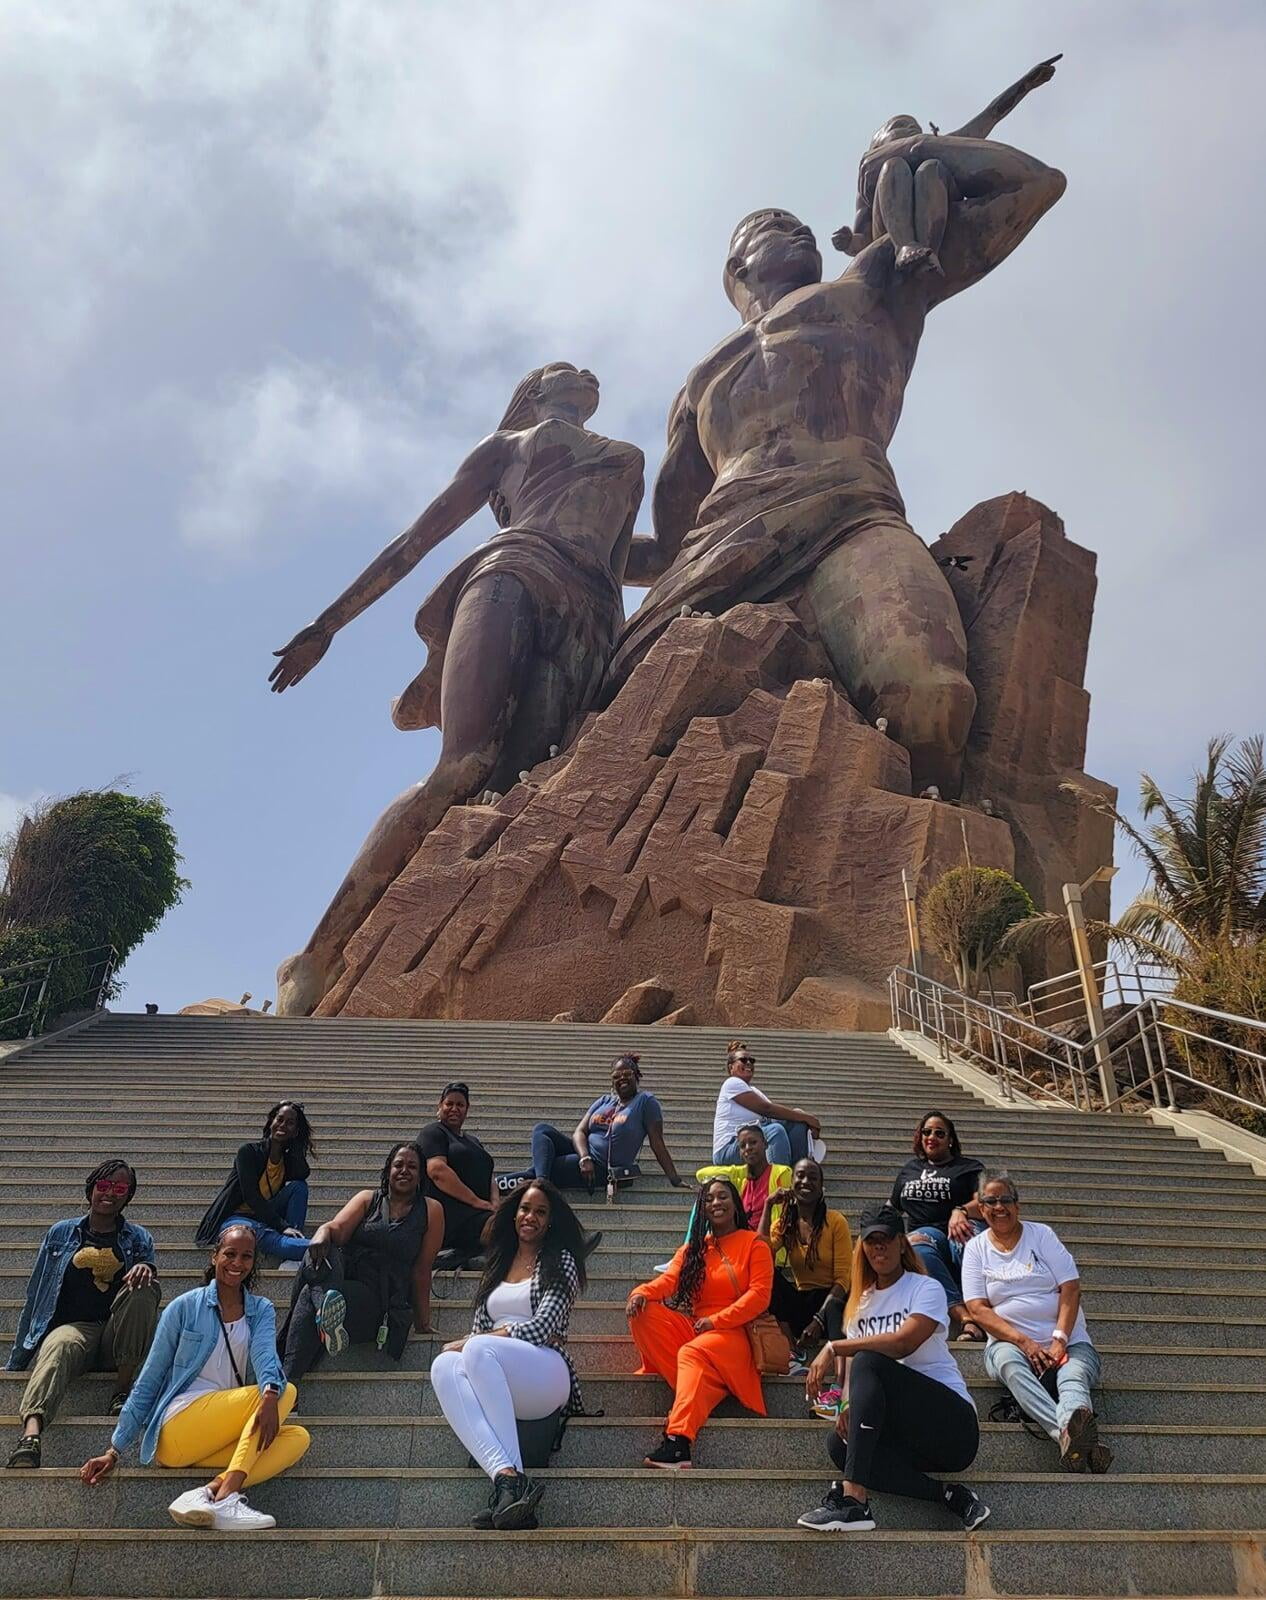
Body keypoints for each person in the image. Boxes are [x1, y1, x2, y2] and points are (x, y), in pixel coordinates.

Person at [270, 363, 645, 1017]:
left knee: (525, 786)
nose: (584, 372)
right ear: (532, 394)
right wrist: (327, 624)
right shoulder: (507, 448)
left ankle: (474, 953)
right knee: (464, 767)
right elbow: (415, 541)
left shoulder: (629, 459)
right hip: (515, 569)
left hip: (590, 614)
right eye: (562, 370)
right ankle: (317, 956)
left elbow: (621, 560)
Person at [80, 1223, 310, 1532]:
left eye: (246, 1256)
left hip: (217, 1433)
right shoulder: (184, 1307)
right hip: (178, 1427)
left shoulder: (260, 1310)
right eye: (230, 1254)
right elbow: (150, 1377)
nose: (237, 1263)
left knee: (297, 1437)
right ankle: (229, 1497)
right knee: (282, 1391)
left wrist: (270, 1392)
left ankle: (207, 1493)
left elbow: (266, 1357)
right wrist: (114, 1450)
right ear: (215, 1256)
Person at [797, 1202, 988, 1533]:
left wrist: (834, 1345)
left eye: (886, 1238)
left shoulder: (925, 1287)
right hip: (905, 1435)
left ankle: (855, 1500)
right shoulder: (861, 1303)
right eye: (872, 1240)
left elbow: (902, 1344)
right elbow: (855, 1376)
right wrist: (845, 1406)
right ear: (863, 1248)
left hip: (951, 1427)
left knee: (873, 1358)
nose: (879, 1246)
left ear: (902, 1243)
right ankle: (949, 1496)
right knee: (838, 1445)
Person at [430, 1179, 587, 1531]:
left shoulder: (561, 1261)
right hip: (493, 1366)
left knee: (477, 1348)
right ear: (514, 1214)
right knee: (443, 1365)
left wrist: (478, 1339)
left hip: (545, 1369)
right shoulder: (498, 1262)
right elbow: (478, 1327)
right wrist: (473, 1341)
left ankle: (513, 1486)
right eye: (525, 1209)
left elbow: (544, 1326)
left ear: (550, 1221)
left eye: (540, 1212)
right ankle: (508, 1481)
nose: (530, 1216)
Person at [832, 56, 1063, 277]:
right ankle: (905, 246)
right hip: (889, 233)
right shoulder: (871, 176)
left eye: (915, 126)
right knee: (893, 167)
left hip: (935, 215)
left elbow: (988, 117)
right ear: (878, 143)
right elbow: (863, 238)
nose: (912, 129)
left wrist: (1024, 85)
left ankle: (927, 254)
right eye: (901, 125)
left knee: (931, 168)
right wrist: (848, 241)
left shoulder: (934, 148)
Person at [5, 1160, 160, 1469]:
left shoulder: (138, 1238)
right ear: (91, 1189)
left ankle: (122, 1391)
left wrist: (147, 1268)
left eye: (119, 1189)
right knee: (59, 1344)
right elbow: (37, 1294)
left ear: (128, 1195)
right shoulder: (61, 1234)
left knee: (144, 1289)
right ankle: (31, 1436)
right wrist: (18, 1359)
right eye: (103, 1186)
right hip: (76, 1329)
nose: (110, 1194)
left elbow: (145, 1290)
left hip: (117, 1332)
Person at [961, 1169, 1111, 1473]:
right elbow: (977, 1309)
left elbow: (1071, 1287)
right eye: (991, 1201)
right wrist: (1024, 1343)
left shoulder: (1040, 1235)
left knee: (1073, 1375)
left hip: (1069, 1340)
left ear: (1018, 1205)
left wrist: (1059, 1339)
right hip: (1009, 1344)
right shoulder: (976, 1248)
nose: (999, 1207)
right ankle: (1067, 1436)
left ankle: (1074, 1439)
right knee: (1009, 1365)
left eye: (1006, 1199)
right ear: (981, 1207)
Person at [626, 1177, 774, 1468]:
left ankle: (678, 1442)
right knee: (643, 1314)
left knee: (692, 1352)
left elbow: (760, 1296)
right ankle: (701, 1391)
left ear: (736, 1204)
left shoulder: (754, 1244)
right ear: (701, 1209)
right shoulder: (694, 1249)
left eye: (722, 1197)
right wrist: (640, 1293)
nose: (715, 1203)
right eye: (708, 1199)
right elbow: (667, 1282)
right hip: (700, 1331)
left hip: (734, 1333)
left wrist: (717, 1320)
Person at [279, 1142, 444, 1382]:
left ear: (420, 1175)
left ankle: (285, 1384)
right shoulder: (368, 1199)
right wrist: (322, 1231)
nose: (404, 1170)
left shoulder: (432, 1210)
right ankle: (325, 1310)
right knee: (322, 1248)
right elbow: (337, 1229)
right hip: (344, 1284)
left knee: (308, 1292)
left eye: (412, 1166)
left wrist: (423, 1322)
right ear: (388, 1170)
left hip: (381, 1299)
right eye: (398, 1165)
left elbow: (422, 1270)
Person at [506, 1051, 687, 1192]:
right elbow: (580, 1132)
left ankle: (521, 1185)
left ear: (636, 1075)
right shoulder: (604, 1101)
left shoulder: (646, 1102)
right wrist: (584, 1157)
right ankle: (542, 1186)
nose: (621, 1078)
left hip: (602, 1166)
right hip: (583, 1155)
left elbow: (657, 1142)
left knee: (542, 1169)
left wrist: (674, 1179)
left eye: (626, 1074)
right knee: (542, 1130)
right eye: (616, 1076)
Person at [888, 1109, 986, 1339]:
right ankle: (966, 1318)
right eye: (926, 1132)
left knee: (965, 1238)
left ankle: (985, 1307)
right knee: (918, 1248)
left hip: (960, 1227)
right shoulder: (909, 1169)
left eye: (940, 1133)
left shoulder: (969, 1167)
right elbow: (892, 1208)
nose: (932, 1137)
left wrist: (960, 1210)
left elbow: (986, 1200)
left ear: (951, 1140)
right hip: (926, 1233)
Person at [194, 1101, 316, 1266]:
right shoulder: (248, 1152)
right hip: (238, 1217)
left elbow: (303, 1173)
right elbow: (251, 1196)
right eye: (279, 1119)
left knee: (299, 1187)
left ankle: (295, 1239)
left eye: (290, 1123)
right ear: (271, 1121)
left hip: (266, 1214)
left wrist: (296, 1145)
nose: (282, 1125)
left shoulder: (287, 1159)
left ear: (295, 1131)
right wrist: (281, 1225)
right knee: (269, 1237)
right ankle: (312, 1247)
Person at [759, 1158, 852, 1361]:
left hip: (832, 1305)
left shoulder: (836, 1222)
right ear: (791, 1183)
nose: (806, 1181)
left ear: (821, 1187)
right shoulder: (785, 1223)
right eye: (800, 1176)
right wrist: (768, 1205)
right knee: (765, 1273)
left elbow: (844, 1279)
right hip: (802, 1303)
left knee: (839, 1302)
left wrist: (819, 1320)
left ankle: (841, 1374)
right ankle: (792, 1351)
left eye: (813, 1177)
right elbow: (760, 1255)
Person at [711, 1041, 820, 1167]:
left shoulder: (754, 1091)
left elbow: (776, 1116)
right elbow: (767, 1109)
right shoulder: (732, 1083)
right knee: (774, 1131)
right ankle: (779, 1183)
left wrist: (802, 1117)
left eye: (751, 1060)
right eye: (743, 1060)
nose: (748, 1063)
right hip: (728, 1149)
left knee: (796, 1124)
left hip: (752, 1138)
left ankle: (796, 1174)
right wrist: (808, 1118)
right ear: (731, 1068)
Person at [418, 1082, 496, 1258]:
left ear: (467, 1109)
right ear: (440, 1106)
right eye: (449, 1104)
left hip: (482, 1214)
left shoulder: (473, 1141)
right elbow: (437, 1171)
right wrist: (476, 1201)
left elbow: (490, 1175)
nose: (454, 1108)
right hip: (452, 1217)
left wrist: (495, 1202)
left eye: (460, 1105)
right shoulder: (433, 1132)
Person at [696, 1123, 792, 1230]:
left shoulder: (782, 1172)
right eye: (742, 1146)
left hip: (771, 1241)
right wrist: (740, 1171)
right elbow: (701, 1174)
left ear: (765, 1144)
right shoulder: (741, 1179)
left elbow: (784, 1215)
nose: (748, 1148)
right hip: (744, 1240)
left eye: (753, 1143)